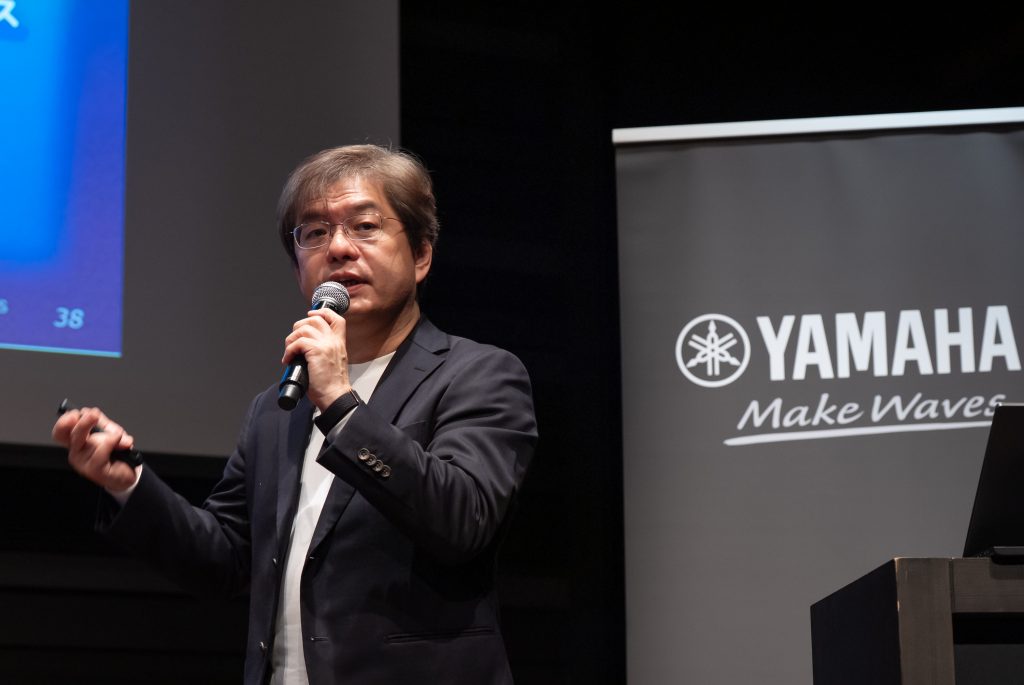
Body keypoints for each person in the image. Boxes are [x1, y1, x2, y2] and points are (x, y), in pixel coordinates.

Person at [52, 144, 538, 685]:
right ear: (298, 267)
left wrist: (342, 407)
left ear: (421, 255)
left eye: (365, 227)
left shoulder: (478, 374)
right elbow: (226, 560)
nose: (339, 249)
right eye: (315, 233)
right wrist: (127, 483)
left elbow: (463, 521)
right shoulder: (277, 407)